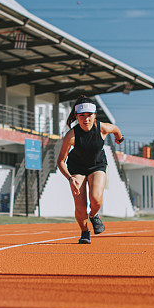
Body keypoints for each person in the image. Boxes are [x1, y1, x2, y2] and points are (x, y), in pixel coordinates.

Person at [56, 96, 124, 244]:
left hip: (97, 165)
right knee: (80, 207)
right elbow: (60, 161)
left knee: (96, 200)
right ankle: (85, 232)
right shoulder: (71, 136)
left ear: (94, 115)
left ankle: (94, 216)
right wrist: (70, 178)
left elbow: (116, 129)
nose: (86, 119)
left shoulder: (103, 128)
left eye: (89, 115)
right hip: (77, 168)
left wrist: (120, 138)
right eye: (82, 116)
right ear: (76, 116)